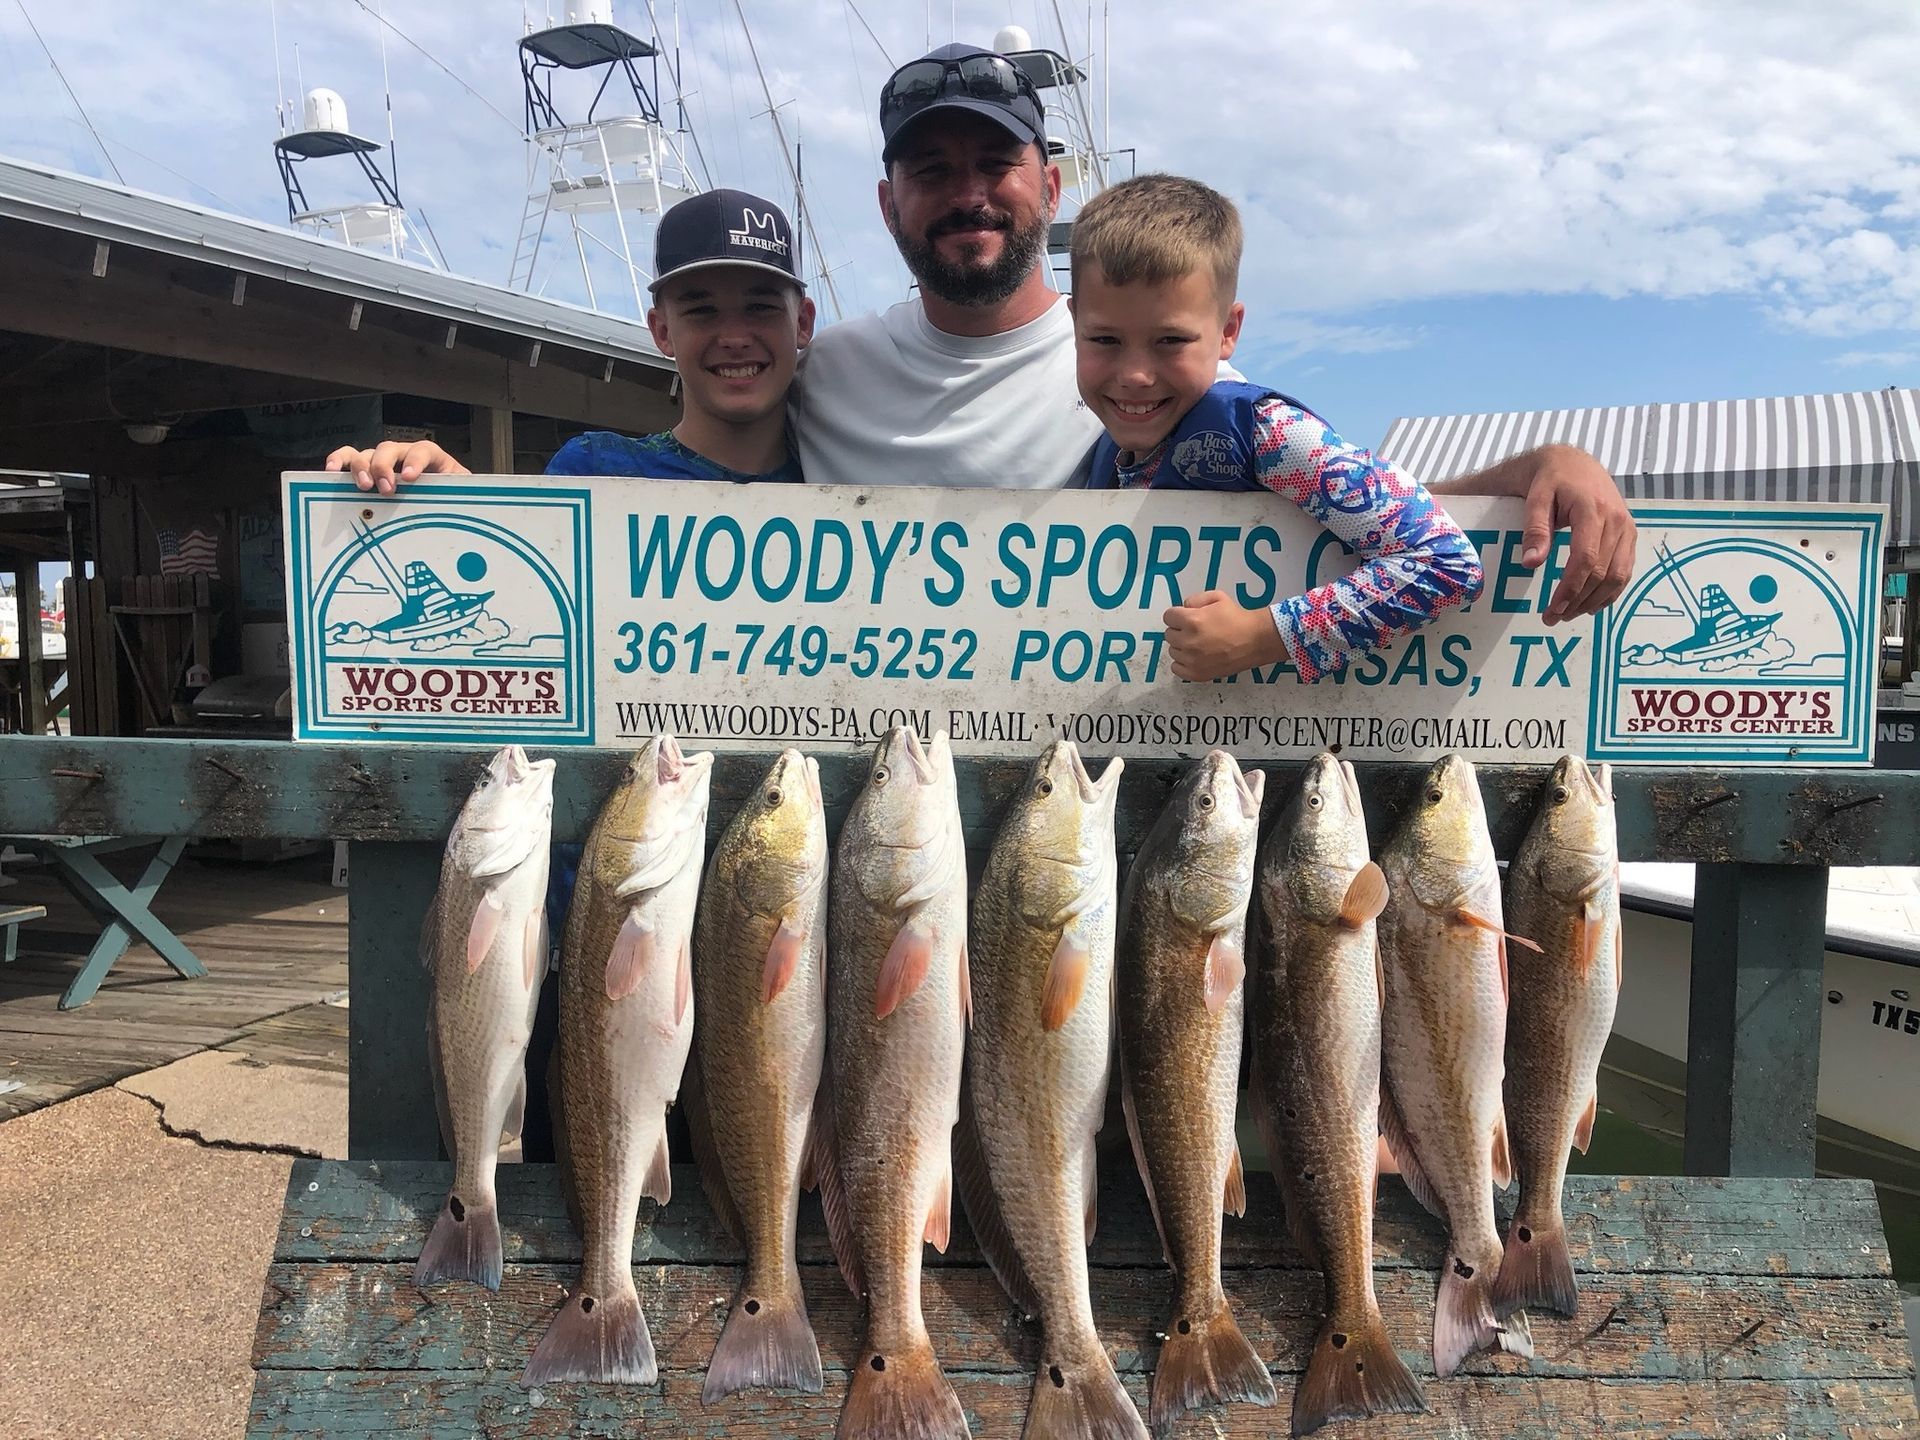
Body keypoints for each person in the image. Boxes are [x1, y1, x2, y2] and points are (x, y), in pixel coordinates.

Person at [790, 41, 1636, 621]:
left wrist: (1543, 468)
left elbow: (1349, 520)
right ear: (885, 201)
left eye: (995, 163)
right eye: (930, 170)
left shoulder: (1178, 383)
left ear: (1049, 187)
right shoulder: (820, 374)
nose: (966, 192)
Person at [1068, 172, 1483, 683]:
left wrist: (1263, 636)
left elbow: (1443, 560)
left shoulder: (1267, 433)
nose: (1134, 375)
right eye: (1105, 339)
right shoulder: (1104, 458)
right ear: (1074, 324)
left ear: (1228, 332)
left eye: (1170, 341)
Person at [326, 187, 814, 486]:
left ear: (804, 324)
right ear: (662, 332)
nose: (733, 336)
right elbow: (526, 578)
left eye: (760, 307)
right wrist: (450, 499)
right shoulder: (597, 469)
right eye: (702, 311)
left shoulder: (843, 475)